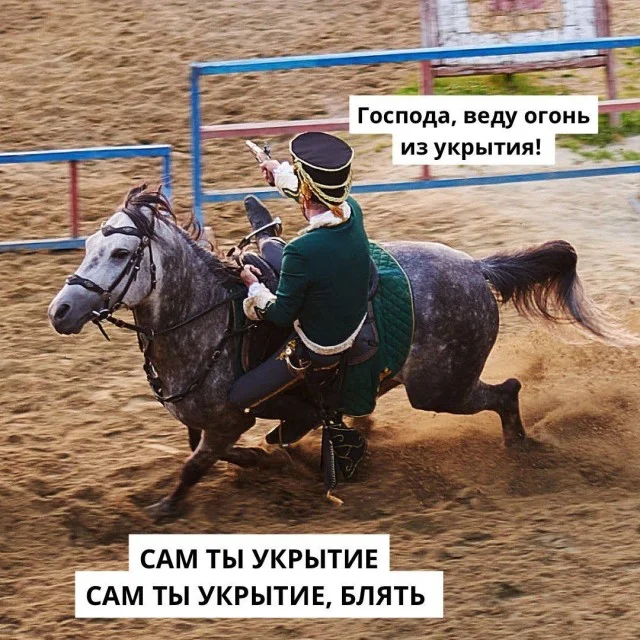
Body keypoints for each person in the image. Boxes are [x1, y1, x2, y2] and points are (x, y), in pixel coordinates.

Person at [228, 131, 371, 445]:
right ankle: (266, 238)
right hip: (346, 298)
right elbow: (315, 195)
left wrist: (254, 287)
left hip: (320, 345)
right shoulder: (351, 208)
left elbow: (280, 314)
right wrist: (276, 170)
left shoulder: (301, 250)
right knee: (272, 251)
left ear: (306, 192)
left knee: (239, 396)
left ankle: (307, 416)